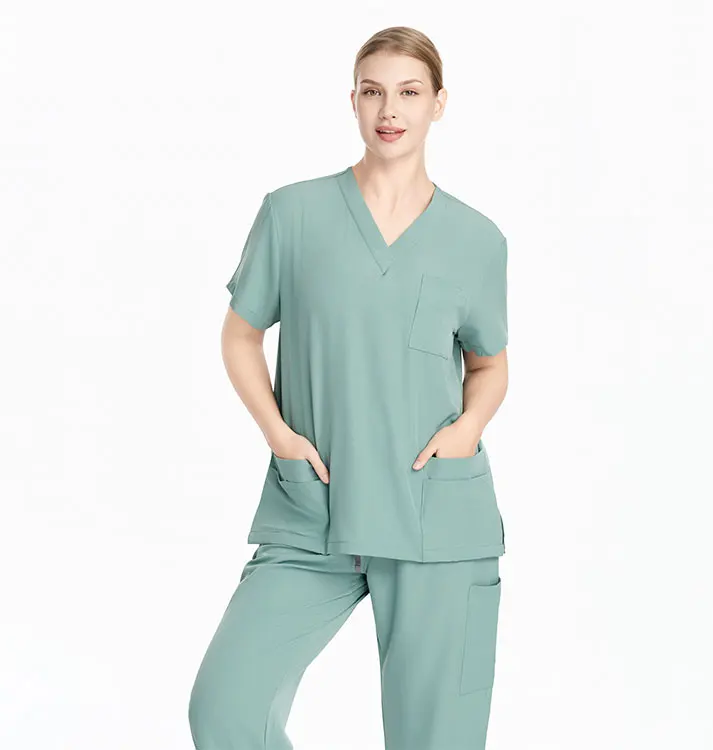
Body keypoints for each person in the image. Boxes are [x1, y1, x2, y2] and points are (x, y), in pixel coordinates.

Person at [188, 25, 510, 750]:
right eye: (373, 92)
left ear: (438, 103)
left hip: (436, 518)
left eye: (409, 92)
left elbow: (490, 364)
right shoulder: (292, 214)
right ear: (354, 101)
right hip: (314, 510)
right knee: (226, 710)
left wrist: (466, 430)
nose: (389, 110)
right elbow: (241, 335)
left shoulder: (477, 240)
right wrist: (279, 435)